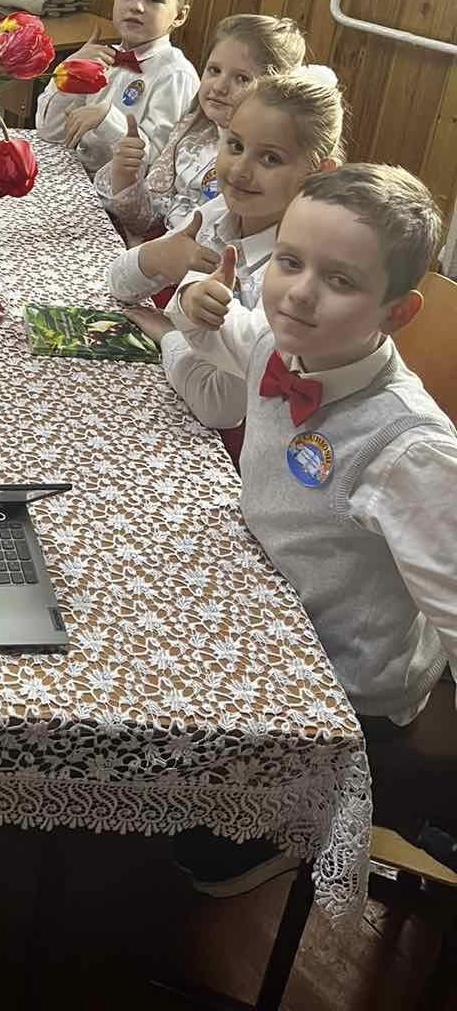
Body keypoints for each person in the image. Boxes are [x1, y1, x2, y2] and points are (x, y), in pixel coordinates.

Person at [166, 164, 457, 896]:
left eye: (340, 280)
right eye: (290, 261)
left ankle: (290, 822)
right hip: (265, 608)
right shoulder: (280, 342)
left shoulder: (409, 449)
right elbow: (219, 332)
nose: (298, 291)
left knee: (190, 851)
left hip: (342, 685)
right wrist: (191, 302)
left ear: (398, 313)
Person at [118, 69, 344, 433]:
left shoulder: (295, 277)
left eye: (270, 159)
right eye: (235, 146)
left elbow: (216, 406)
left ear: (318, 176)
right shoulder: (221, 211)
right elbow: (118, 284)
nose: (239, 170)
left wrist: (170, 337)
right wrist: (158, 256)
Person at [96, 14, 307, 234]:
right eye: (214, 70)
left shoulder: (258, 166)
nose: (219, 87)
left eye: (242, 78)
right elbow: (146, 220)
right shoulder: (192, 129)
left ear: (273, 91)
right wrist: (125, 177)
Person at [35, 0, 198, 173]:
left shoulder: (175, 75)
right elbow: (49, 132)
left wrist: (107, 119)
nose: (136, 6)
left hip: (121, 193)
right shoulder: (101, 58)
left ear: (180, 15)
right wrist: (68, 72)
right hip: (77, 178)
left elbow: (159, 164)